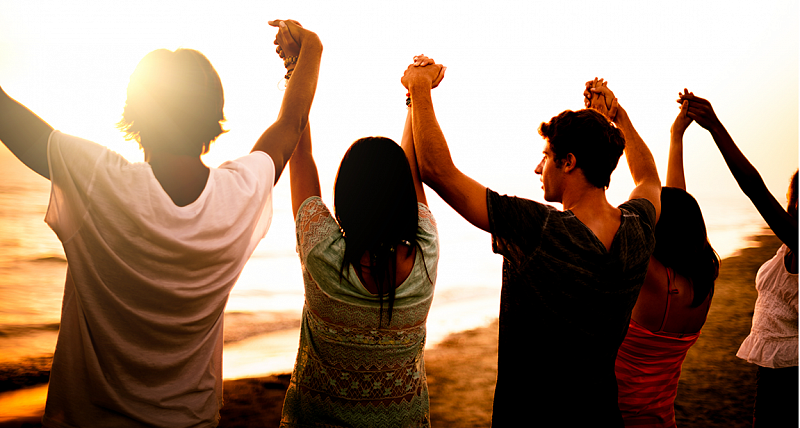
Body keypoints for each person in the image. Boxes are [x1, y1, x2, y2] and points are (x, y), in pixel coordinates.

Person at [0, 19, 321, 427]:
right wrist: (307, 51)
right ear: (214, 116)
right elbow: (289, 127)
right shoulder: (235, 196)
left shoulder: (98, 180)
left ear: (135, 112)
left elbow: (5, 114)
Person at [403, 57, 661, 425]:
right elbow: (648, 176)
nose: (539, 168)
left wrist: (419, 86)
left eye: (546, 157)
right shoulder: (637, 229)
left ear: (568, 162)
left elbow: (435, 170)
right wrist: (615, 118)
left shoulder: (539, 230)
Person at [279, 55, 442, 428]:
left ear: (344, 197)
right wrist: (416, 93)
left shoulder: (322, 253)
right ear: (403, 198)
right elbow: (411, 168)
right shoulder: (424, 255)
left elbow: (298, 152)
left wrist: (294, 68)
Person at [680, 91, 798, 427]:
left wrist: (715, 126)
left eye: (793, 199)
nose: (789, 206)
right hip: (772, 371)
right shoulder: (786, 247)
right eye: (791, 199)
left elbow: (754, 188)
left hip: (791, 377)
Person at [612, 91, 721, 427]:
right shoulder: (698, 279)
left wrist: (616, 122)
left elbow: (648, 184)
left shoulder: (654, 279)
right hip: (660, 419)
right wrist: (676, 137)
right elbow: (676, 201)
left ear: (659, 231)